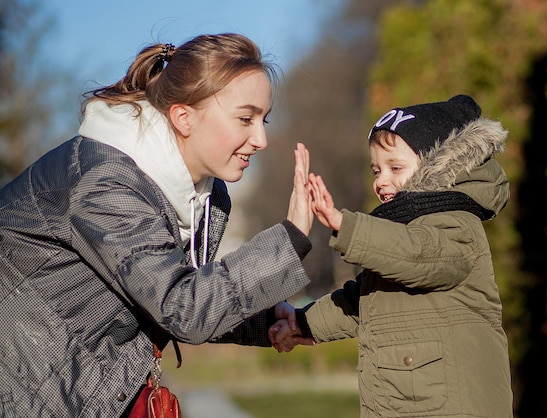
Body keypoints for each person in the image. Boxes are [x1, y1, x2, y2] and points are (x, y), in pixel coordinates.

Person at [0, 33, 314, 417]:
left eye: (264, 119)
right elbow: (182, 307)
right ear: (184, 117)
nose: (261, 138)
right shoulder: (106, 182)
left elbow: (180, 291)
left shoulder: (202, 196)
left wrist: (268, 320)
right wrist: (289, 239)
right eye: (245, 118)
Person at [271, 95, 514, 417]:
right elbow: (365, 299)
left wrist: (345, 225)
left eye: (395, 167)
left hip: (454, 406)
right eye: (376, 170)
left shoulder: (456, 223)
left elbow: (421, 256)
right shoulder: (402, 231)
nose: (381, 181)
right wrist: (302, 322)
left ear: (438, 166)